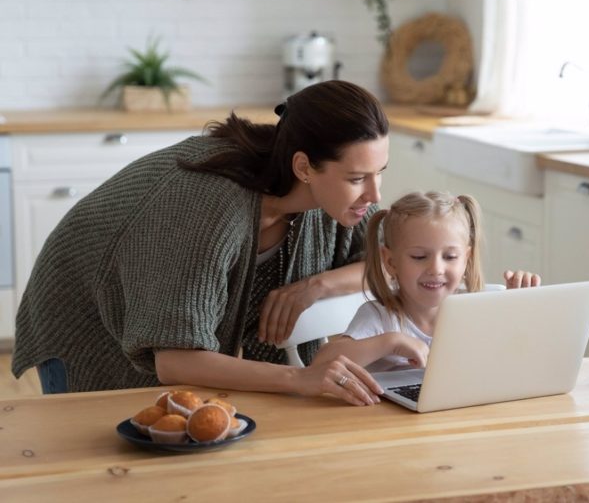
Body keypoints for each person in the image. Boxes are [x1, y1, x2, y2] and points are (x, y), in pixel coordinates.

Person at [11, 80, 387, 406]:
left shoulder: (337, 200)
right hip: (85, 319)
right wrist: (299, 379)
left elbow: (392, 260)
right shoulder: (207, 206)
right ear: (304, 167)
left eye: (379, 174)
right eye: (357, 178)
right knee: (103, 469)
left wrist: (315, 286)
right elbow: (176, 360)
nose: (374, 193)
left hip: (157, 321)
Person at [312, 191, 541, 372]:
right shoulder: (380, 316)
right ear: (391, 262)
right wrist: (389, 342)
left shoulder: (478, 309)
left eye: (450, 257)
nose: (436, 269)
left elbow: (521, 360)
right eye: (419, 257)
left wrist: (520, 309)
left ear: (466, 260)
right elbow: (321, 364)